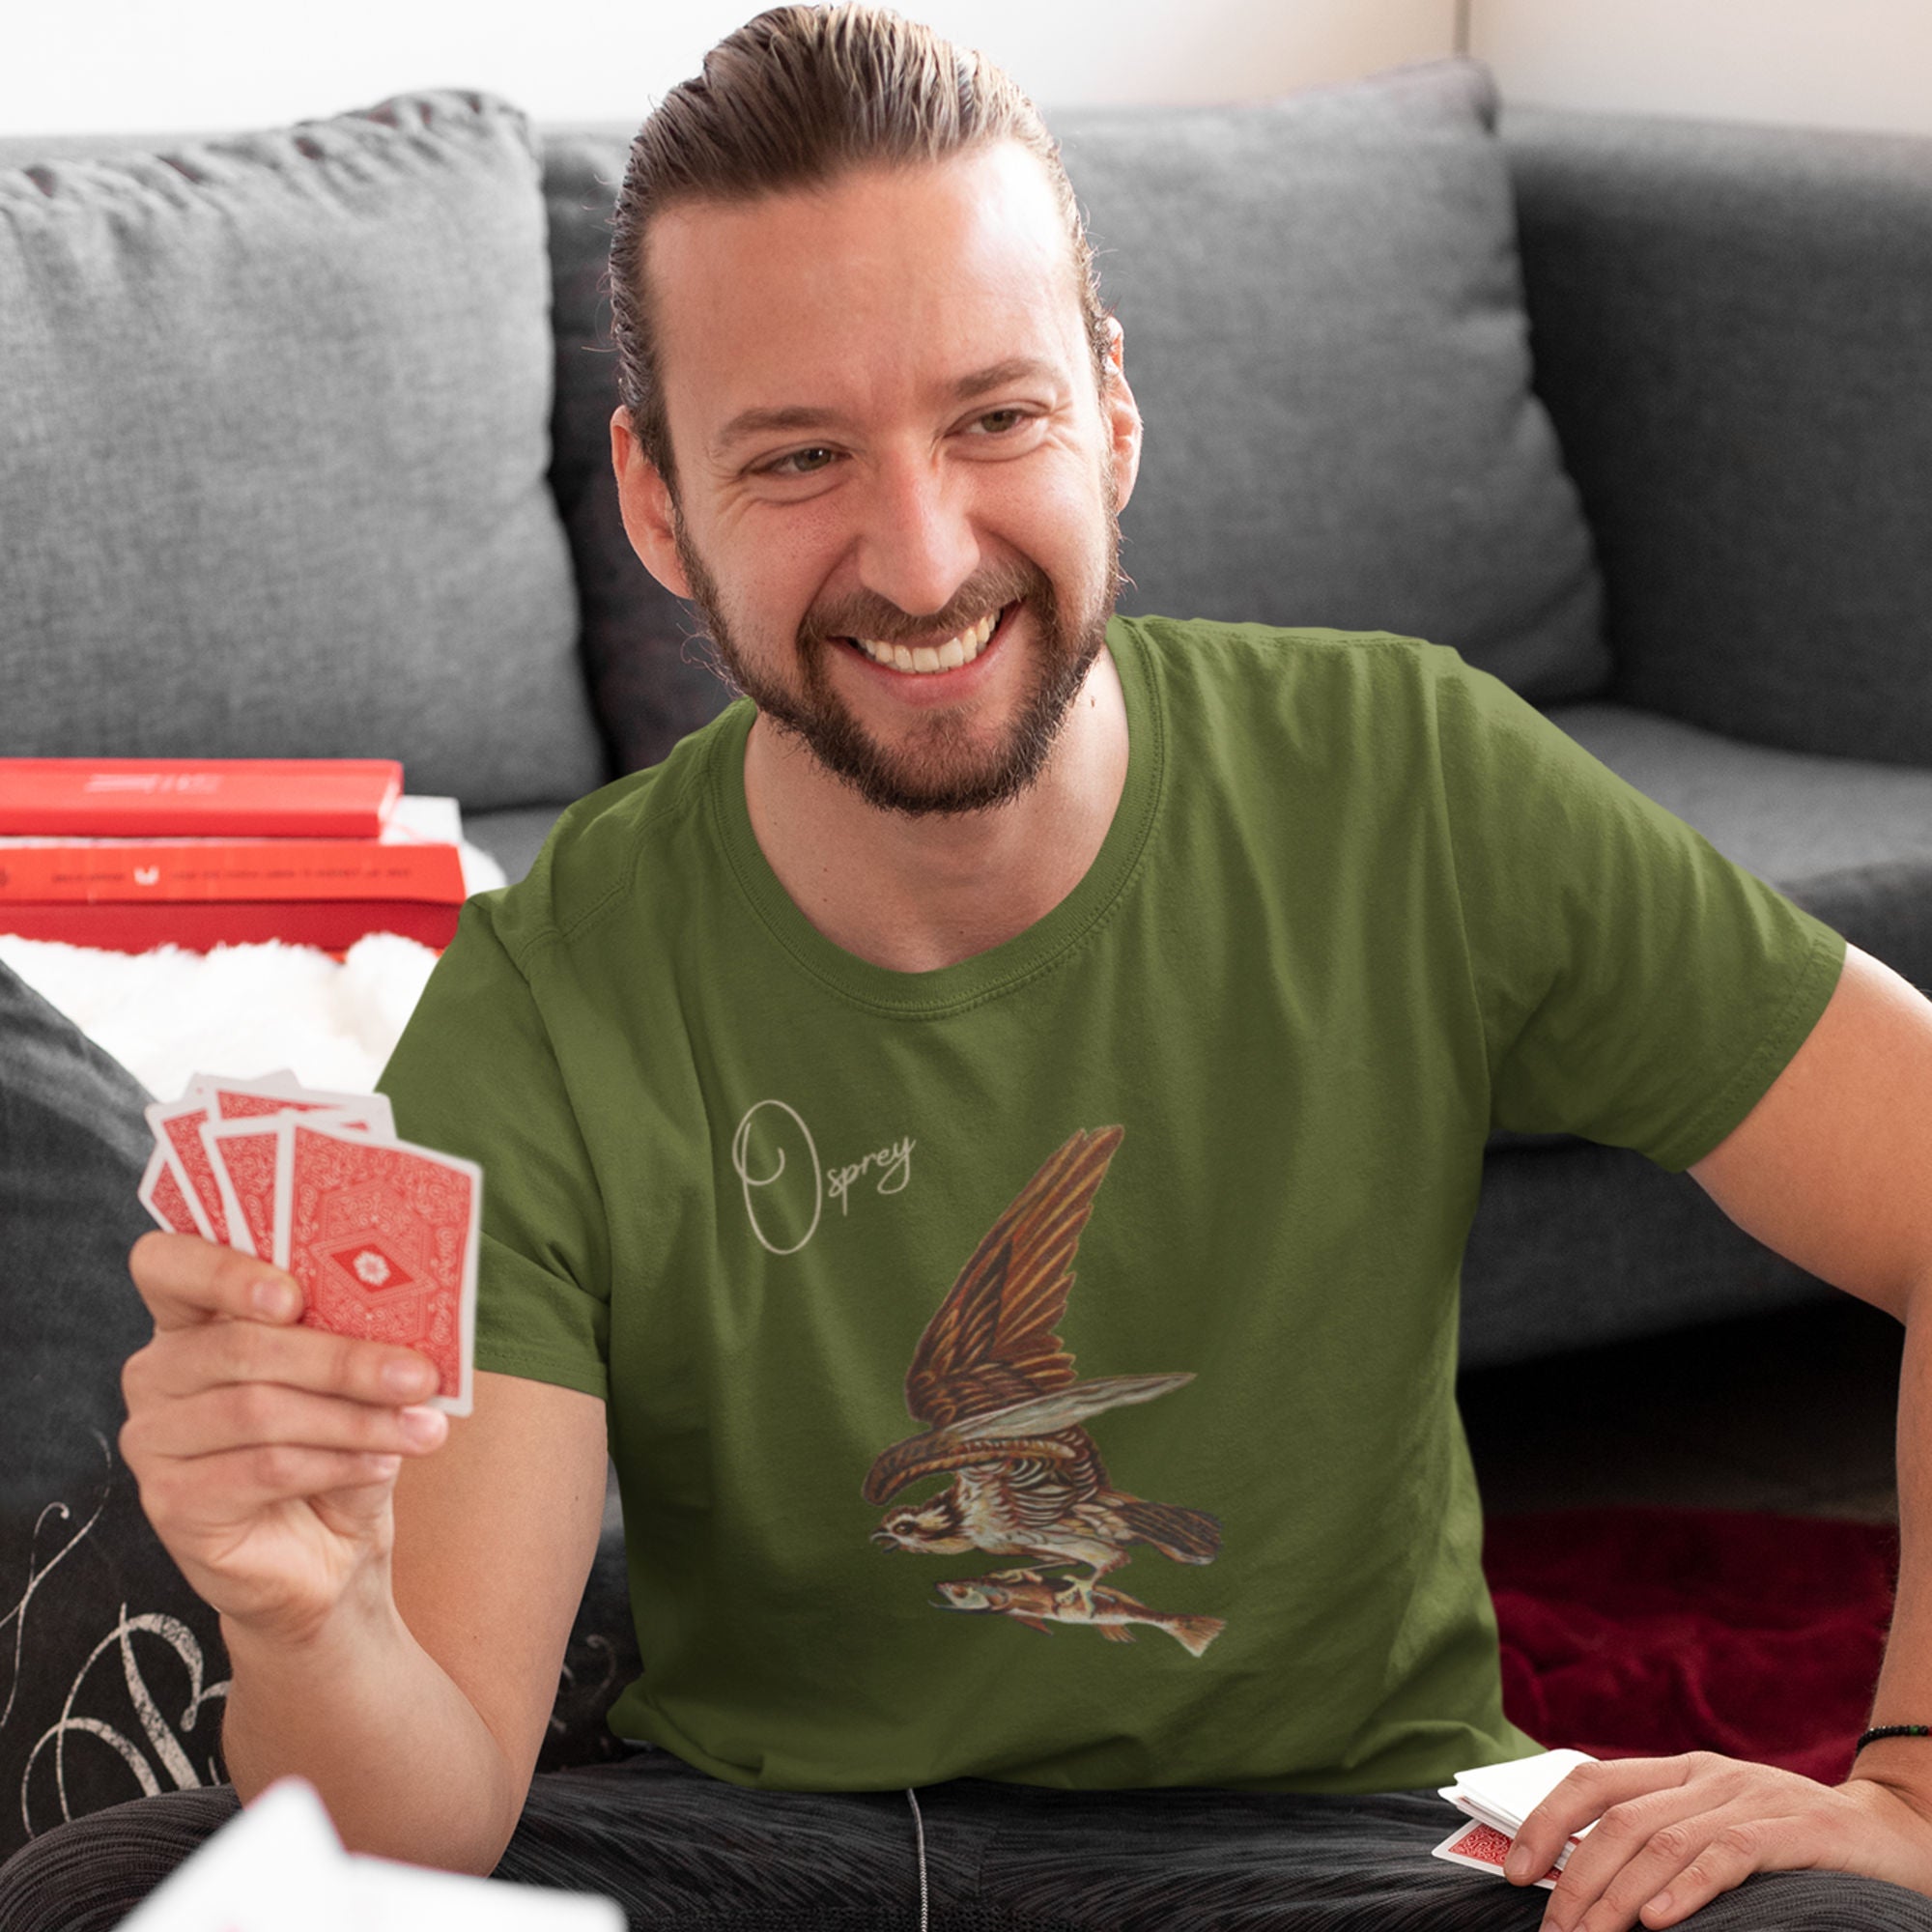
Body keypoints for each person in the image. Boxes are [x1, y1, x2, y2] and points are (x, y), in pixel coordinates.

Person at [7, 8, 1932, 1929]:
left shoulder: (1419, 783)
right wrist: (308, 1608)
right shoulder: (544, 989)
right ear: (659, 500)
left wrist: (1912, 1786)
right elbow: (418, 1817)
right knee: (118, 1889)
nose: (920, 558)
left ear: (1110, 409)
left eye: (991, 418)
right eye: (798, 458)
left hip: (1342, 1851)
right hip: (782, 1855)